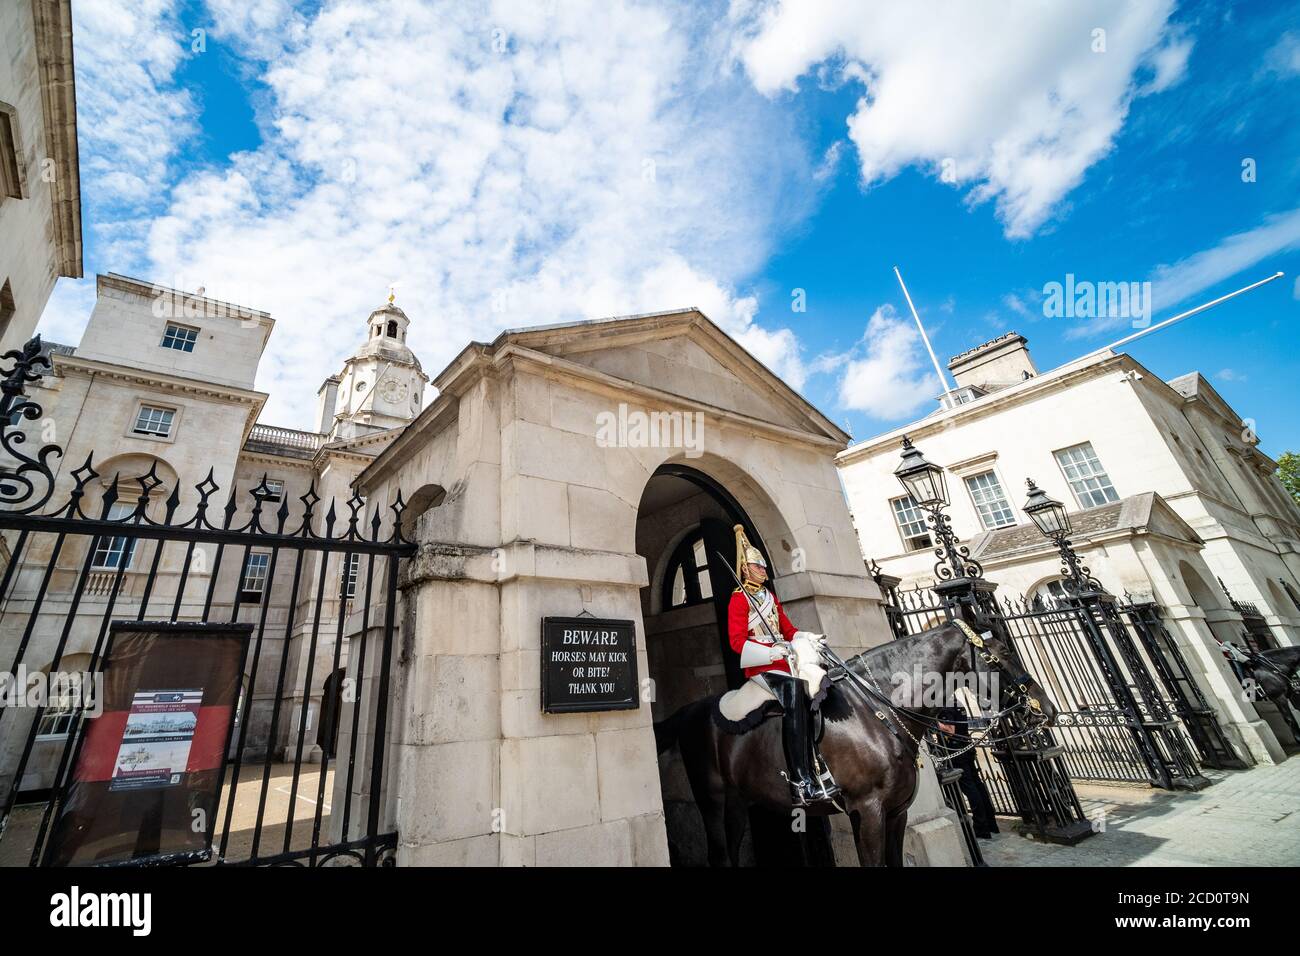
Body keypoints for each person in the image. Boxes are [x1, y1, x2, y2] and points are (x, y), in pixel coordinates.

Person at [726, 524, 841, 807]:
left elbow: (788, 630)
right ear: (745, 569)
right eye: (758, 566)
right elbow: (737, 642)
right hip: (761, 668)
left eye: (764, 565)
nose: (764, 570)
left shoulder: (770, 598)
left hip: (786, 659)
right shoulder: (739, 600)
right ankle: (800, 780)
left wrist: (805, 636)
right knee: (793, 691)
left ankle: (822, 761)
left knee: (822, 682)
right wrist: (770, 651)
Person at [936, 704, 999, 839]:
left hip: (957, 751)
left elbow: (950, 730)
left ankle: (981, 828)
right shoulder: (957, 703)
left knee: (971, 789)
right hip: (966, 747)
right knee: (978, 786)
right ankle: (991, 824)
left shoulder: (945, 706)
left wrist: (934, 722)